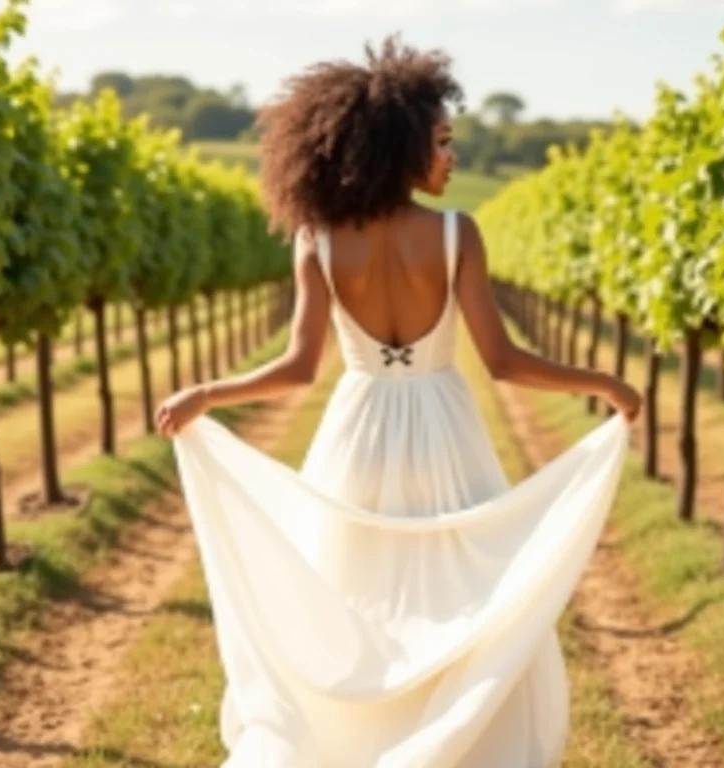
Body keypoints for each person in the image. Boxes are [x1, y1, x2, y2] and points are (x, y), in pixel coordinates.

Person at [156, 36, 641, 768]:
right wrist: (603, 383)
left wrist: (206, 394)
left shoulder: (316, 240)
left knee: (355, 601)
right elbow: (503, 362)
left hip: (359, 433)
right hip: (445, 430)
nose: (452, 157)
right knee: (463, 602)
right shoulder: (455, 235)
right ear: (399, 146)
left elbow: (295, 369)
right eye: (441, 142)